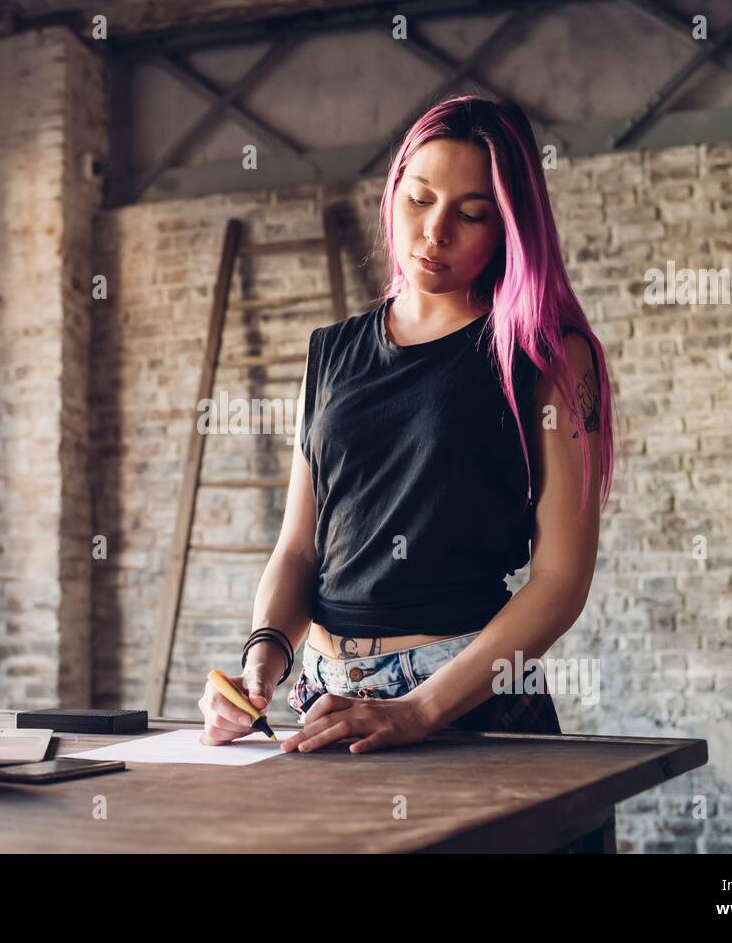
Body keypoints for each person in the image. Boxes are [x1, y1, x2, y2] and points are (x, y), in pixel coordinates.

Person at [198, 95, 614, 755]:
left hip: (464, 698)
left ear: (510, 228)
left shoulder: (548, 355)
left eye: (471, 214)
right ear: (393, 193)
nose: (435, 231)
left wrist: (420, 709)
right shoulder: (331, 352)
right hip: (324, 695)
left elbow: (561, 580)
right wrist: (262, 660)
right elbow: (300, 548)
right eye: (419, 199)